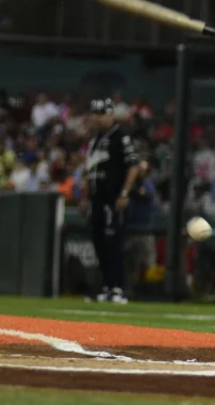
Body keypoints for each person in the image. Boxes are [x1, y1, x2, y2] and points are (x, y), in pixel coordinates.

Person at [81, 98, 141, 304]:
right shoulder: (95, 138)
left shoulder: (120, 136)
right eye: (95, 114)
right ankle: (106, 287)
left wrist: (124, 193)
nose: (97, 118)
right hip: (96, 199)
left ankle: (117, 288)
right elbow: (89, 171)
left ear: (111, 115)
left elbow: (134, 165)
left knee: (113, 243)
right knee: (98, 243)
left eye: (101, 114)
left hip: (113, 198)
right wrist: (85, 196)